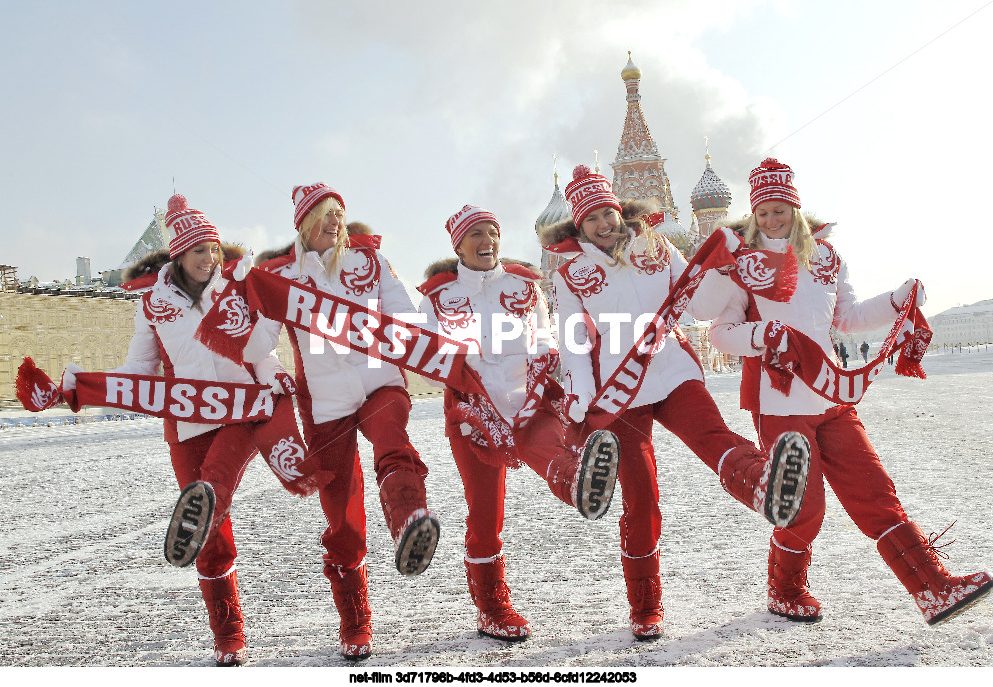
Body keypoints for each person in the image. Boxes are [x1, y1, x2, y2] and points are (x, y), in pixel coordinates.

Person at [702, 157, 992, 625]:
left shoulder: (826, 257)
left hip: (831, 397)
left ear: (795, 209)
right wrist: (763, 335)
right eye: (764, 213)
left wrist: (897, 300)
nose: (773, 220)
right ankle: (785, 588)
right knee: (805, 507)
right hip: (780, 403)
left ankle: (933, 588)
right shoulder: (743, 265)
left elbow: (848, 317)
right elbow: (720, 332)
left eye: (781, 210)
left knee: (876, 493)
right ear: (753, 218)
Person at [540, 165, 812, 641]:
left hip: (671, 367)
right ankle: (645, 606)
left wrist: (721, 267)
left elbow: (698, 306)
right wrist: (581, 391)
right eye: (592, 219)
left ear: (619, 211)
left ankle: (764, 485)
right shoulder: (571, 273)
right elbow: (573, 338)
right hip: (619, 389)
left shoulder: (656, 245)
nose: (604, 224)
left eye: (608, 212)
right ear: (579, 226)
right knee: (641, 495)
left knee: (714, 437)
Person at [63, 195, 317, 666]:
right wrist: (87, 385)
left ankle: (203, 504)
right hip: (186, 423)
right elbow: (139, 370)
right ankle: (228, 635)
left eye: (214, 249)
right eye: (200, 250)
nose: (210, 259)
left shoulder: (236, 290)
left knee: (211, 487)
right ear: (179, 254)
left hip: (243, 408)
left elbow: (259, 349)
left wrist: (274, 370)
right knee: (209, 537)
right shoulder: (153, 306)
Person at [244, 183, 439, 660]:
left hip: (380, 383)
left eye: (340, 213)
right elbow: (255, 346)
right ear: (303, 223)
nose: (335, 222)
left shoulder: (369, 262)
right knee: (343, 518)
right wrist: (275, 376)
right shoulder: (281, 278)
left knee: (392, 437)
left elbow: (406, 318)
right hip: (324, 405)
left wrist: (435, 333)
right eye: (325, 214)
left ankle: (411, 517)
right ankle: (355, 622)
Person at [416, 205, 621, 642]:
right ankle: (492, 608)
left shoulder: (525, 283)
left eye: (492, 231)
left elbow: (545, 332)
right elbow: (428, 355)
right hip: (474, 411)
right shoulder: (437, 295)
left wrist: (543, 357)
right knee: (485, 513)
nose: (487, 239)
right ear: (458, 245)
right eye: (476, 234)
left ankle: (582, 485)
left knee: (551, 452)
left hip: (527, 397)